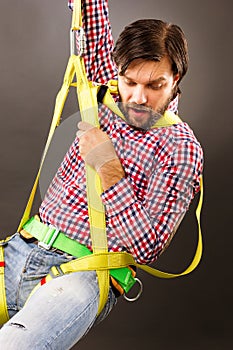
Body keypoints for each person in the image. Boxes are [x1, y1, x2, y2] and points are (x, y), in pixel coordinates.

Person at [0, 0, 203, 348]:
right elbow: (90, 9)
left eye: (155, 85)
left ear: (176, 79)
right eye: (129, 81)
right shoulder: (104, 93)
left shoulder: (180, 147)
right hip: (20, 250)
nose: (138, 98)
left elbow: (148, 245)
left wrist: (108, 167)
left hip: (84, 274)